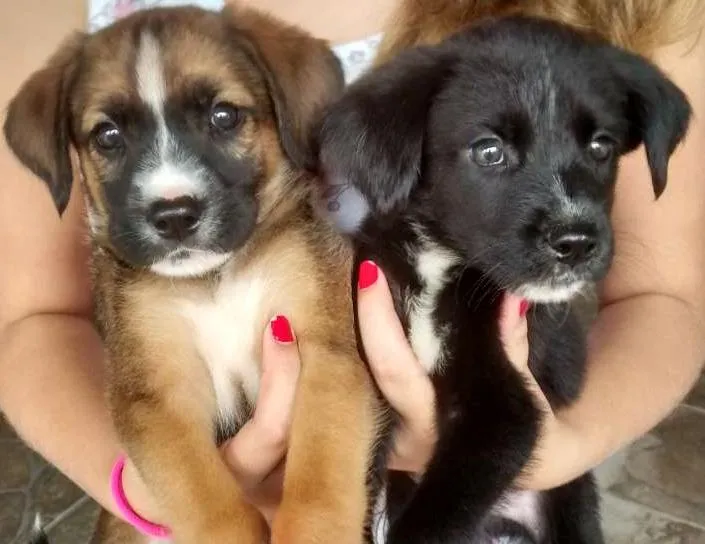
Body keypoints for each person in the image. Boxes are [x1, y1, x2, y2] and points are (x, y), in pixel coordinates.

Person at [1, 0, 704, 533]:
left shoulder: (620, 18)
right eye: (109, 136)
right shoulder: (61, 18)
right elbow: (36, 319)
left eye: (224, 119)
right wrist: (154, 495)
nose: (169, 188)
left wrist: (558, 450)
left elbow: (665, 295)